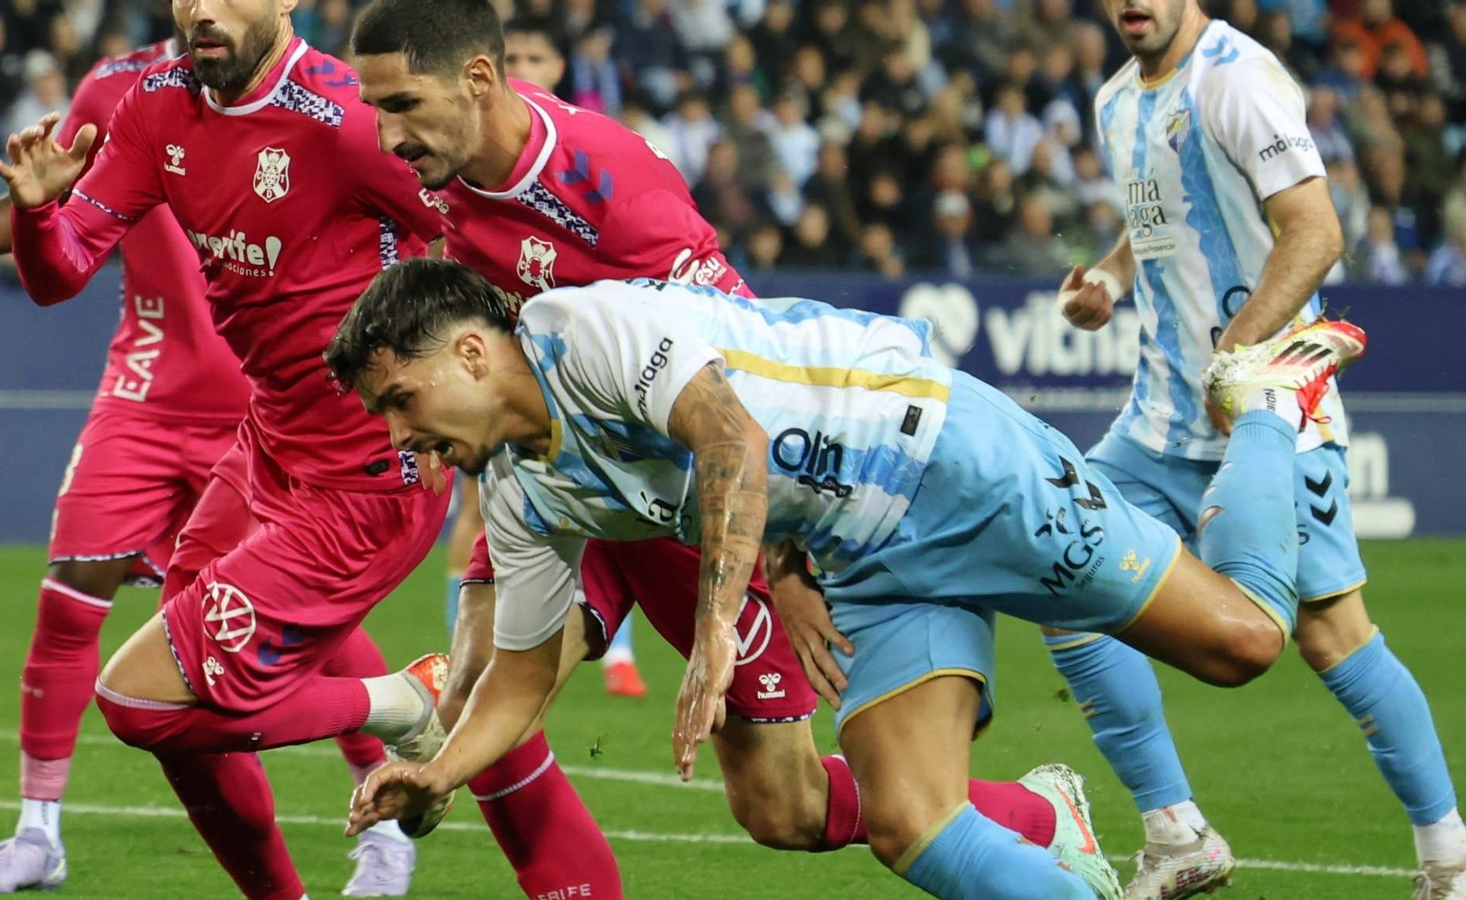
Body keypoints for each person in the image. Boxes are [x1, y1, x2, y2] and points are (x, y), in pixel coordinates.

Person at [346, 4, 1120, 899]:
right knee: (476, 694)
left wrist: (784, 550)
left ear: (480, 81)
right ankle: (439, 774)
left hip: (678, 490)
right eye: (378, 108)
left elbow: (741, 361)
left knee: (779, 806)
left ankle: (1038, 813)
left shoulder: (610, 187)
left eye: (402, 103)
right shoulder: (439, 169)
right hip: (566, 479)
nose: (388, 134)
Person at [330, 261, 1365, 900]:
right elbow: (517, 675)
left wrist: (719, 622)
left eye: (402, 399)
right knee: (908, 822)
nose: (399, 435)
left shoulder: (584, 330)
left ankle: (1266, 402)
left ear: (472, 352)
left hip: (952, 464)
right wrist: (439, 770)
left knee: (1244, 645)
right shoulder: (522, 496)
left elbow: (729, 434)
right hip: (867, 557)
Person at [0, 36, 419, 897]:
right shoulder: (128, 91)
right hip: (149, 384)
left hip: (267, 399)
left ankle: (381, 804)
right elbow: (64, 222)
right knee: (78, 600)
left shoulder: (336, 112)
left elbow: (455, 215)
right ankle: (37, 831)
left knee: (290, 624)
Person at [1050, 1, 1466, 897]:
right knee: (1060, 565)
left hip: (1270, 414)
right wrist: (1110, 280)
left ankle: (1450, 860)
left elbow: (1315, 234)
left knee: (1332, 639)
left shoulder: (1237, 79)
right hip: (1158, 420)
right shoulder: (1117, 98)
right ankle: (1174, 833)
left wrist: (1234, 361)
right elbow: (1152, 217)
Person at [437, 11, 650, 699]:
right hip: (507, 368)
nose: (526, 63)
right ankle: (463, 658)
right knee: (476, 515)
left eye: (539, 54)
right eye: (516, 52)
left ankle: (617, 655)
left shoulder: (585, 149)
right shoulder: (471, 163)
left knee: (621, 509)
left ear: (561, 69)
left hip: (585, 374)